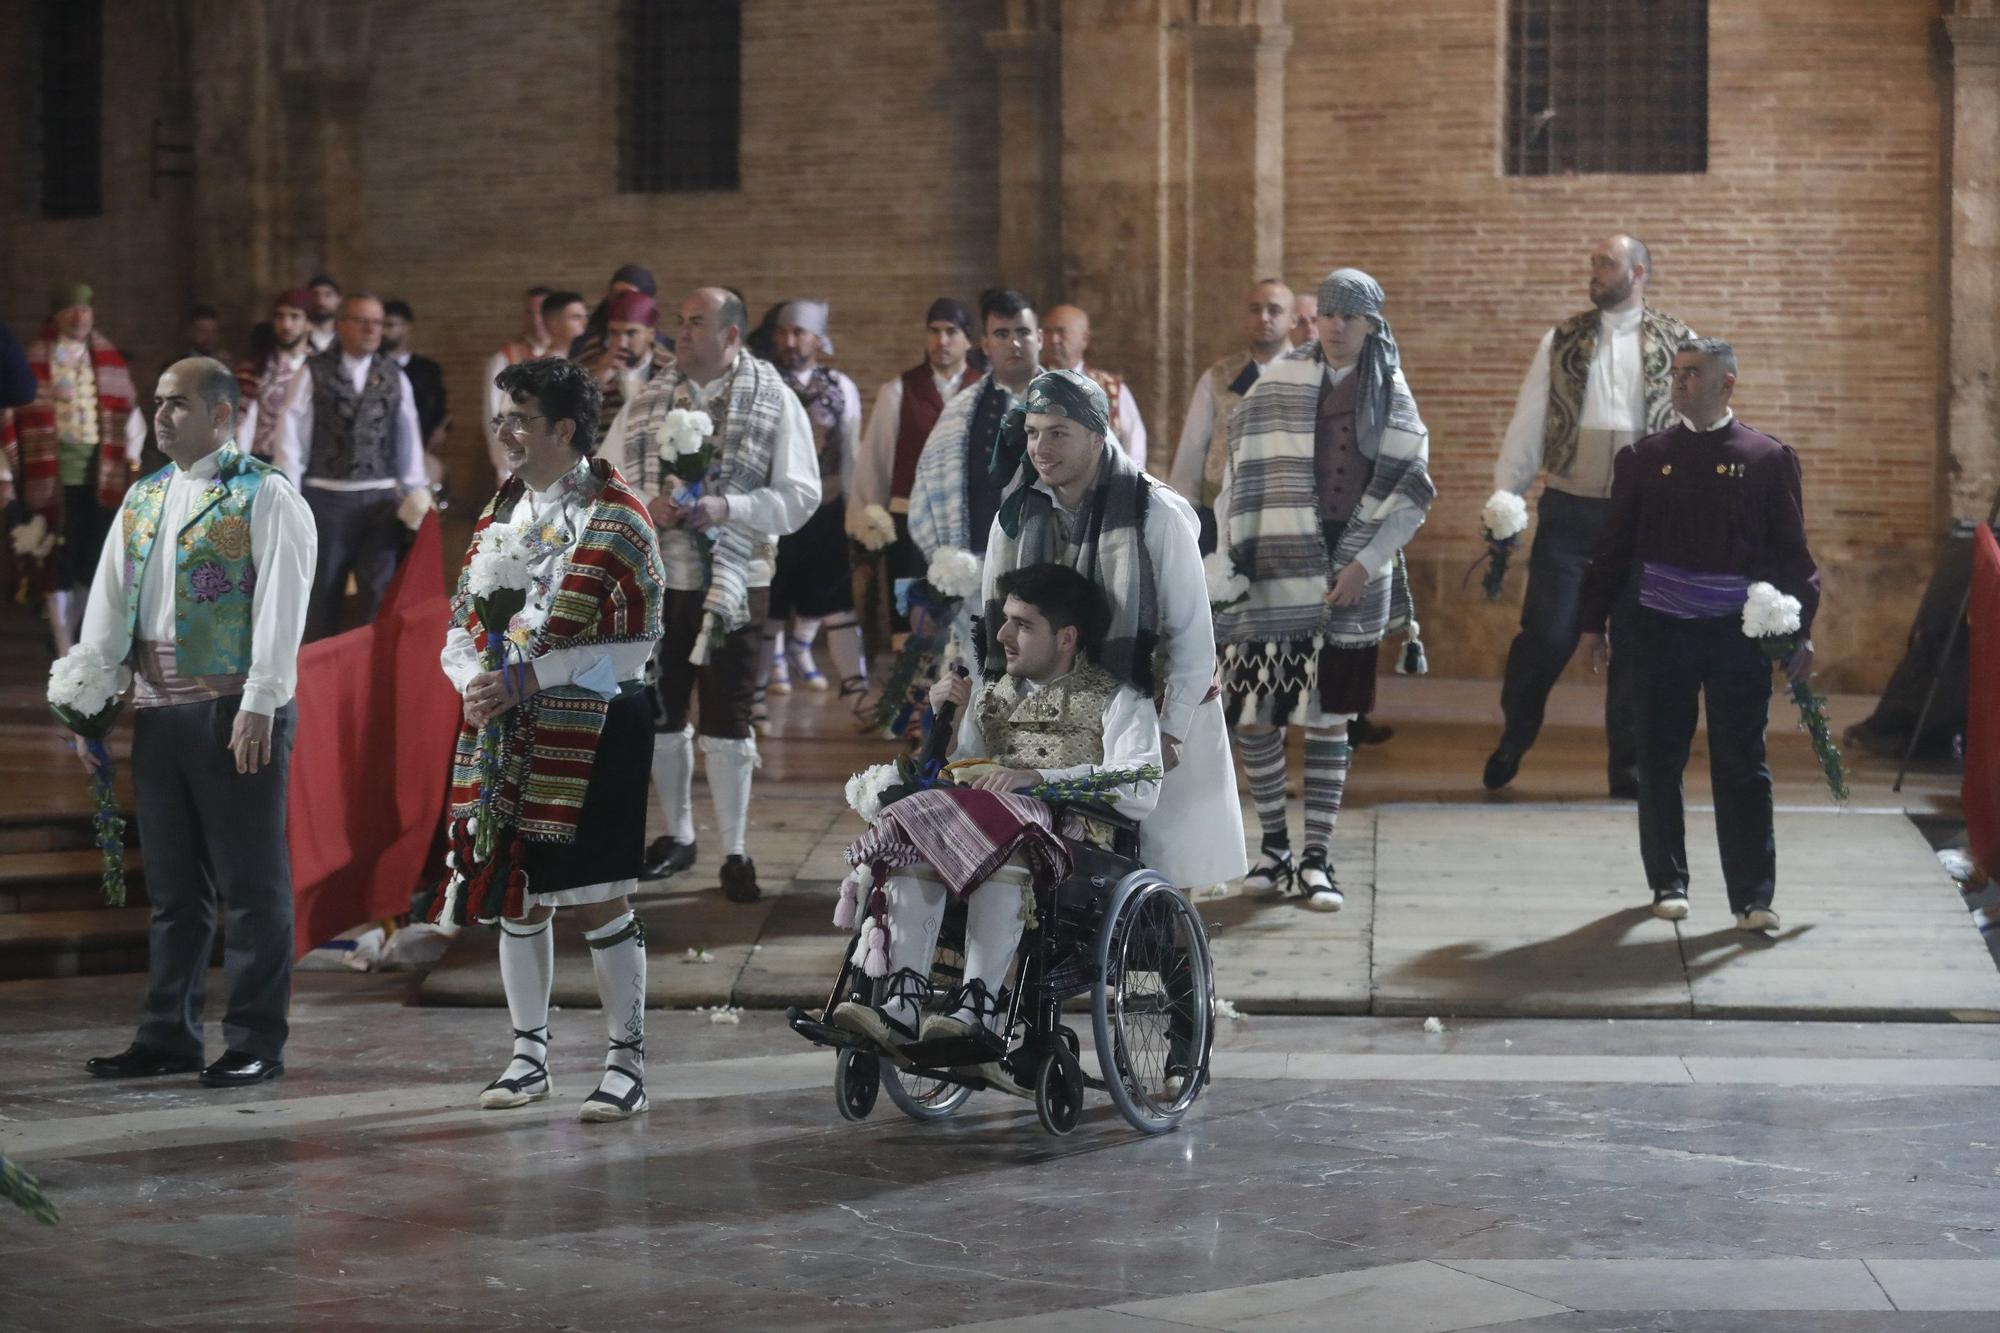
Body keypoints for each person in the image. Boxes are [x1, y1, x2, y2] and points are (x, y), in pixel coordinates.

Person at [75, 358, 316, 1087]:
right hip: (157, 711)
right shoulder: (144, 497)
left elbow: (283, 603)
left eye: (178, 403)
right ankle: (167, 1034)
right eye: (157, 402)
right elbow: (108, 605)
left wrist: (262, 699)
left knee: (251, 885)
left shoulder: (265, 493)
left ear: (221, 415)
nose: (161, 414)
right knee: (176, 891)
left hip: (231, 707)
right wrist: (91, 702)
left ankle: (254, 1038)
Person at [438, 356, 666, 1121]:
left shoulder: (618, 516)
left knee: (600, 898)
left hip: (596, 723)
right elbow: (462, 621)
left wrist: (533, 678)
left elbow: (634, 648)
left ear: (563, 429)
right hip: (506, 725)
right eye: (504, 416)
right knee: (520, 897)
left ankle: (625, 1060)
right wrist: (470, 678)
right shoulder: (503, 507)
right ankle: (528, 1054)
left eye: (519, 419)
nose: (504, 432)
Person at [831, 563, 1161, 1091]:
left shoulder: (1119, 699)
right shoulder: (989, 695)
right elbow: (962, 777)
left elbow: (1141, 784)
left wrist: (1037, 777)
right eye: (1004, 620)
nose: (1003, 635)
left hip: (1076, 856)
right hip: (980, 837)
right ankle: (905, 999)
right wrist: (948, 725)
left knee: (1003, 828)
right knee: (920, 825)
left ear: (1067, 638)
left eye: (1023, 625)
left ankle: (980, 1009)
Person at [1577, 339, 1818, 932]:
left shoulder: (1766, 458)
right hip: (1657, 632)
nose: (1679, 383)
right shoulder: (1645, 457)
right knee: (1658, 759)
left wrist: (1800, 630)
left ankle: (1753, 898)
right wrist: (1593, 622)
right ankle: (1668, 882)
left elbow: (1793, 555)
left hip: (1737, 635)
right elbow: (1612, 549)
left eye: (1693, 374)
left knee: (1742, 761)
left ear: (1727, 384)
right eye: (1676, 373)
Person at [979, 368, 1246, 894]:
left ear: (1099, 437)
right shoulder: (1016, 516)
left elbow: (1192, 637)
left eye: (1059, 433)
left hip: (1154, 702)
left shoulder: (1154, 513)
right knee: (1063, 870)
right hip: (1057, 713)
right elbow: (996, 628)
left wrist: (1169, 732)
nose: (1040, 448)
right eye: (1032, 432)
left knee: (1163, 871)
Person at [1216, 269, 1433, 910]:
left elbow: (1411, 488)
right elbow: (1240, 468)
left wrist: (1364, 564)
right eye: (1329, 313)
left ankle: (1317, 857)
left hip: (1354, 565)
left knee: (1330, 715)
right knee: (1257, 713)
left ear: (1372, 322)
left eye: (1350, 316)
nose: (1336, 326)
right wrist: (1230, 553)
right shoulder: (1279, 380)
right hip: (1273, 562)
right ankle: (1274, 848)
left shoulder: (1390, 389)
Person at [602, 287, 819, 899]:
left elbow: (800, 495)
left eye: (695, 323)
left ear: (731, 336)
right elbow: (603, 481)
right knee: (663, 714)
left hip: (738, 579)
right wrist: (649, 506)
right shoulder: (647, 402)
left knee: (728, 718)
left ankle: (736, 850)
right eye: (681, 321)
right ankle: (678, 836)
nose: (681, 332)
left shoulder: (772, 398)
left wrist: (729, 507)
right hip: (659, 579)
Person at [1484, 234, 1695, 799]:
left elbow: (1703, 427)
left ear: (1640, 271)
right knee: (1547, 635)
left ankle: (1627, 768)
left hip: (1644, 517)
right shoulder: (1561, 339)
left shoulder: (1681, 342)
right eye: (1593, 263)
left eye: (1607, 263)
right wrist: (1507, 498)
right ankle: (1515, 736)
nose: (1594, 272)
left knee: (1636, 643)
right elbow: (1529, 421)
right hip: (1570, 512)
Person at [271, 293, 429, 640]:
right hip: (326, 500)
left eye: (379, 322)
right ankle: (316, 681)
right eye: (363, 321)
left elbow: (407, 433)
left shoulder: (394, 375)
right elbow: (290, 434)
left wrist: (416, 489)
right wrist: (289, 495)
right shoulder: (312, 372)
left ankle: (372, 681)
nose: (373, 329)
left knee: (379, 594)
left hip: (381, 501)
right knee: (321, 594)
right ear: (342, 325)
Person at [0, 283, 146, 654]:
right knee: (52, 560)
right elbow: (8, 419)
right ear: (56, 315)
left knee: (92, 557)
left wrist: (132, 461)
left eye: (84, 309)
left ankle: (73, 630)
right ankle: (62, 637)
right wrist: (5, 476)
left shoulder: (109, 358)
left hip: (100, 477)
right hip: (48, 477)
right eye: (70, 309)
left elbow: (129, 414)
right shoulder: (33, 357)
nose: (79, 316)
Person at [850, 298, 980, 641]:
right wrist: (868, 519)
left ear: (969, 338)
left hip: (971, 526)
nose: (942, 341)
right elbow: (876, 461)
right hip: (909, 527)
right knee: (913, 628)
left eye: (951, 332)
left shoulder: (987, 391)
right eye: (934, 332)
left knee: (968, 626)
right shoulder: (898, 391)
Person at [766, 300, 866, 701]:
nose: (790, 341)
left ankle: (857, 690)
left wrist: (856, 510)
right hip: (775, 510)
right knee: (771, 601)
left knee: (835, 598)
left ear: (817, 338)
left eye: (799, 333)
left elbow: (851, 454)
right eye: (784, 332)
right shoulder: (765, 382)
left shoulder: (840, 386)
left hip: (826, 509)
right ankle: (760, 693)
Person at [908, 289, 1042, 563]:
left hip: (1051, 562)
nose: (1014, 343)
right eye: (1002, 334)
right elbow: (930, 488)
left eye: (1023, 332)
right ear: (985, 345)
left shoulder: (1072, 401)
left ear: (1040, 338)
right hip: (975, 565)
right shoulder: (960, 411)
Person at [1168, 278, 1296, 552]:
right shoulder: (1218, 376)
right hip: (1218, 513)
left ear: (1293, 320)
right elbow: (1192, 449)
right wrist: (1185, 512)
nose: (1264, 318)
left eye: (1274, 310)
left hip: (1285, 515)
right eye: (1255, 309)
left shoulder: (1307, 375)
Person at [1040, 304, 1147, 470]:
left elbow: (1134, 443)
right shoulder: (1028, 385)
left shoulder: (1111, 389)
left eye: (1062, 332)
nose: (1054, 339)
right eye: (1048, 332)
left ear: (1084, 339)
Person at [481, 285, 553, 480]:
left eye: (542, 313)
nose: (536, 320)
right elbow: (493, 413)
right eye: (530, 313)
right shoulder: (505, 358)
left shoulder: (566, 355)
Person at [235, 290, 314, 461]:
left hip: (308, 461)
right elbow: (240, 421)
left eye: (294, 317)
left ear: (308, 322)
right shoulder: (255, 366)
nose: (286, 325)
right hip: (262, 460)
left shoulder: (321, 367)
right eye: (279, 317)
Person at [590, 290, 674, 447]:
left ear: (651, 333)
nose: (621, 343)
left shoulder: (672, 369)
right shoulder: (590, 363)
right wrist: (593, 384)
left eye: (631, 333)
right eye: (614, 333)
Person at [381, 299, 450, 453]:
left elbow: (440, 410)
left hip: (419, 446)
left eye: (390, 325)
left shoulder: (428, 369)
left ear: (407, 327)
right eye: (381, 325)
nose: (383, 332)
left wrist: (440, 429)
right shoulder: (373, 367)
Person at [572, 263, 672, 365]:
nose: (619, 301)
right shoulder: (584, 345)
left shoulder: (668, 354)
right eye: (614, 295)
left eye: (627, 295)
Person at [304, 274, 341, 353]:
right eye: (315, 294)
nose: (321, 301)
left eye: (328, 295)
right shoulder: (298, 335)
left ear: (339, 299)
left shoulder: (347, 336)